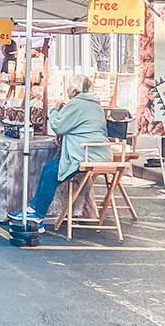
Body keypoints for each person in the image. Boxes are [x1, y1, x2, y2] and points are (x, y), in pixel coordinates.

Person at [9, 74, 112, 226]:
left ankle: (37, 213)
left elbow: (58, 125)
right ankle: (34, 209)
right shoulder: (96, 105)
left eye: (69, 86)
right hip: (100, 154)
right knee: (50, 169)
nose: (67, 89)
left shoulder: (76, 104)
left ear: (75, 90)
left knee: (51, 172)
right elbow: (81, 128)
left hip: (83, 154)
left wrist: (55, 110)